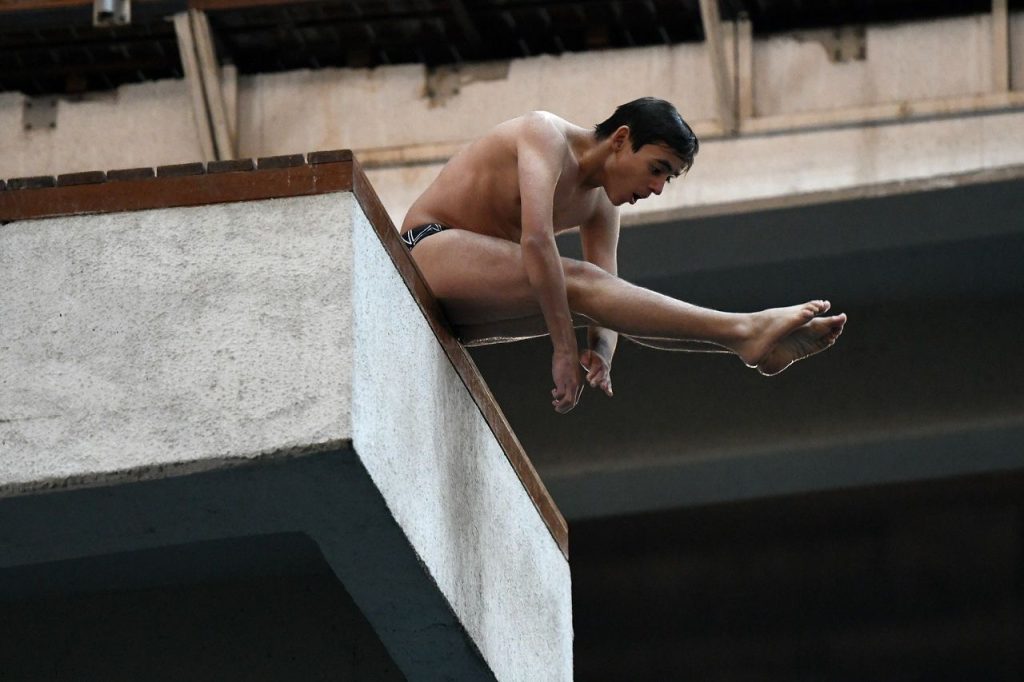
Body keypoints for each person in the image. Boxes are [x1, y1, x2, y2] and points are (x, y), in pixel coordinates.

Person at [401, 97, 847, 414]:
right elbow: (537, 241)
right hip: (425, 252)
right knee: (574, 280)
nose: (657, 188)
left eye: (667, 179)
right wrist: (563, 348)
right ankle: (744, 330)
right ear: (620, 138)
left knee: (596, 298)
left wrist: (601, 350)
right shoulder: (545, 135)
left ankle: (739, 342)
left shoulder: (601, 205)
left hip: (462, 311)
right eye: (656, 169)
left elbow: (611, 301)